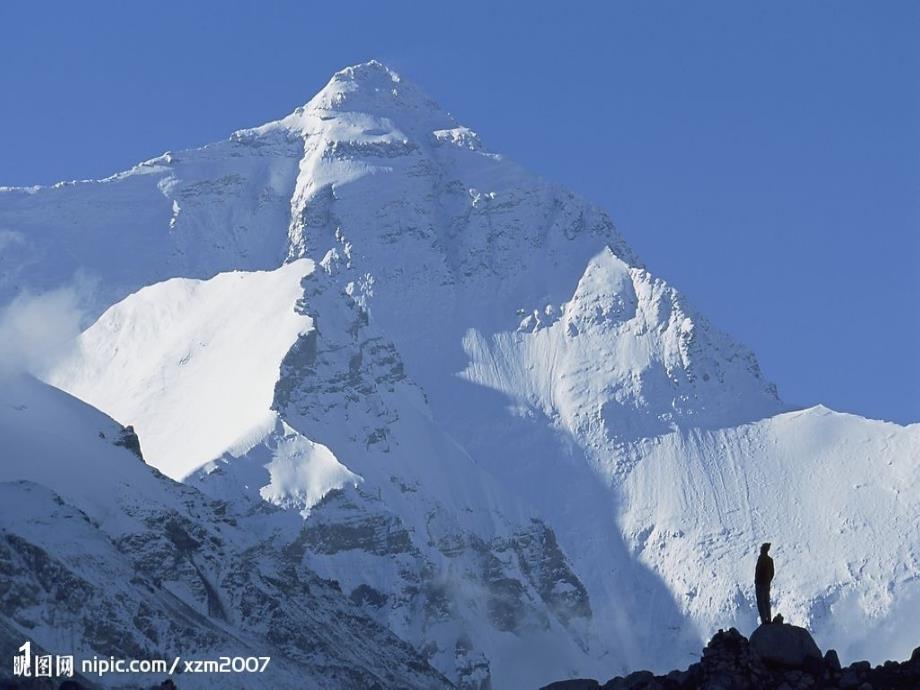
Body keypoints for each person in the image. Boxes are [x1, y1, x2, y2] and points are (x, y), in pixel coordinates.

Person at [755, 542, 774, 625]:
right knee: (766, 601)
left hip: (760, 584)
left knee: (761, 602)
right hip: (766, 584)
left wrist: (757, 581)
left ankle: (764, 620)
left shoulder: (761, 559)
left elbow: (758, 571)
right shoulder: (770, 560)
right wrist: (768, 580)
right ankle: (769, 618)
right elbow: (772, 572)